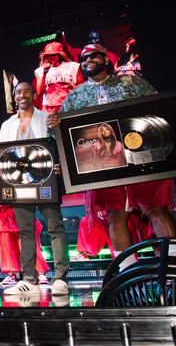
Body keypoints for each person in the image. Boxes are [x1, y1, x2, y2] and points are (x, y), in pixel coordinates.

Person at [56, 43, 176, 270]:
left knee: (156, 209)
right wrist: (55, 127)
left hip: (140, 156)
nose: (87, 60)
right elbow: (65, 134)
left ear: (106, 59)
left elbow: (158, 110)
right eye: (83, 58)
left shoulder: (132, 82)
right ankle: (127, 271)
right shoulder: (75, 96)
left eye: (93, 56)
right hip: (103, 164)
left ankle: (172, 267)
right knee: (115, 215)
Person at [0, 82, 70, 296]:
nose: (23, 95)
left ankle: (60, 278)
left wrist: (61, 165)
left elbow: (61, 145)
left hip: (46, 180)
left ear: (34, 94)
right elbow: (2, 156)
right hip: (19, 182)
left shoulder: (48, 118)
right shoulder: (7, 124)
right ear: (14, 96)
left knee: (55, 227)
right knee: (25, 231)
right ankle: (29, 279)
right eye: (18, 92)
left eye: (27, 91)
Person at [0, 166, 50, 286]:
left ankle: (40, 272)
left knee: (27, 240)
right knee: (6, 243)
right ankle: (12, 274)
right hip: (2, 212)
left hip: (18, 206)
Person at [32, 41, 85, 113]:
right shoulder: (41, 70)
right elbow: (39, 92)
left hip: (70, 105)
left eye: (53, 55)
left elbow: (82, 87)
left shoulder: (72, 66)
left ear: (60, 55)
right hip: (49, 109)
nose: (50, 57)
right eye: (47, 55)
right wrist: (44, 73)